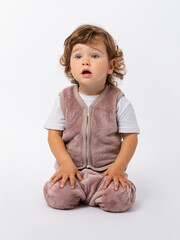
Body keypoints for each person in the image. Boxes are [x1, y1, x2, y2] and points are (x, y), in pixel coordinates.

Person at [43, 24, 140, 212]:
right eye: (78, 56)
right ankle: (79, 192)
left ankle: (105, 192)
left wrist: (118, 168)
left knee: (118, 200)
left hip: (107, 173)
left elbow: (131, 137)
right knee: (58, 198)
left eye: (94, 56)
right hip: (73, 172)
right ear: (70, 67)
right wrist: (65, 164)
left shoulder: (118, 101)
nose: (85, 61)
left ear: (111, 66)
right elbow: (53, 135)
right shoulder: (64, 99)